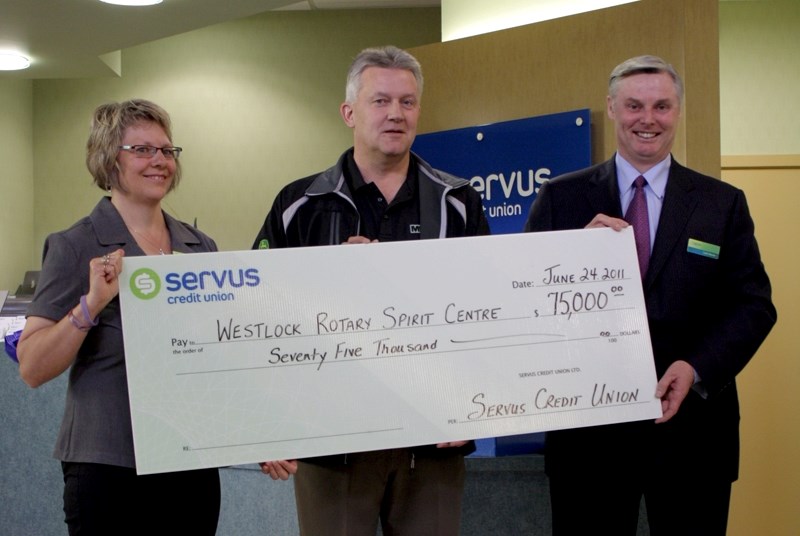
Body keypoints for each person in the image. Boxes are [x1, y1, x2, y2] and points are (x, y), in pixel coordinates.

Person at [524, 55, 777, 535]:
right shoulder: (561, 199)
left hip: (695, 434)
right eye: (634, 105)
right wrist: (574, 257)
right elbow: (527, 307)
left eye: (662, 106)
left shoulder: (721, 204)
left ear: (678, 111)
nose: (648, 119)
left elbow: (754, 305)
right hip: (589, 439)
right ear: (612, 108)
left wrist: (696, 366)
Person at [252, 46, 490, 536]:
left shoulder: (458, 201)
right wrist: (267, 422)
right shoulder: (300, 204)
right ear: (349, 112)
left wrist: (473, 404)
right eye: (380, 101)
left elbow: (488, 316)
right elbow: (258, 316)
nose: (395, 114)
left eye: (407, 102)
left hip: (432, 440)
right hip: (331, 443)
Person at [17, 99, 221, 535]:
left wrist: (259, 437)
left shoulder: (200, 248)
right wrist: (90, 304)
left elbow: (218, 356)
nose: (160, 161)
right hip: (107, 464)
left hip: (188, 460)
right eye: (142, 150)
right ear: (109, 159)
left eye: (167, 151)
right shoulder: (75, 244)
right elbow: (32, 367)